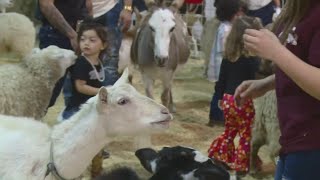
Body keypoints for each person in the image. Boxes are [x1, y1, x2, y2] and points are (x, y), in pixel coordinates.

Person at [235, 0, 320, 179]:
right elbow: (306, 62)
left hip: (312, 143)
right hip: (294, 138)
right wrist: (268, 83)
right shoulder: (298, 8)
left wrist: (276, 52)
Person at [207, 16, 262, 174]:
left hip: (227, 100)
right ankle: (241, 166)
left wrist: (218, 98)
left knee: (229, 132)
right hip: (243, 101)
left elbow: (221, 82)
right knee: (245, 134)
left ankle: (221, 157)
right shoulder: (253, 61)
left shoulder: (227, 59)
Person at [37, 0, 92, 107]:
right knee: (45, 97)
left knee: (83, 96)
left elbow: (88, 5)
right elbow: (46, 5)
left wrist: (89, 29)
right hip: (56, 34)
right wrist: (72, 35)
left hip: (82, 32)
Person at [207, 0, 247, 127]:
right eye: (237, 14)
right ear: (230, 14)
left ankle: (221, 116)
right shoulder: (225, 29)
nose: (239, 17)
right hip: (222, 68)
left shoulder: (227, 27)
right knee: (220, 93)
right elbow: (225, 49)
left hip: (224, 67)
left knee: (222, 92)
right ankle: (216, 117)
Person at [92, 0, 147, 86]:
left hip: (110, 9)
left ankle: (110, 95)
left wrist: (127, 8)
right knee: (83, 60)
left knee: (110, 61)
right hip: (82, 11)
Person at [61, 20, 107, 120]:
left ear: (103, 45)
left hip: (89, 108)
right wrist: (101, 92)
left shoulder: (98, 62)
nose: (86, 43)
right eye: (82, 39)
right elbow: (80, 87)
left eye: (92, 40)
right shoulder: (81, 63)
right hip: (76, 110)